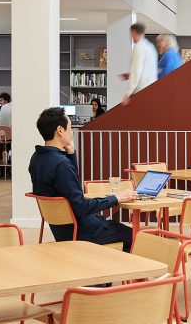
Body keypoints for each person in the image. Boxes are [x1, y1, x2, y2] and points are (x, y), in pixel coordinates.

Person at [29, 107, 137, 251]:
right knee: (135, 236)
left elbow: (70, 185)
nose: (71, 131)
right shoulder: (60, 164)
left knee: (115, 227)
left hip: (61, 230)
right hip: (83, 231)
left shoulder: (37, 158)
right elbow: (81, 207)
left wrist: (71, 153)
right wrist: (116, 198)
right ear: (60, 130)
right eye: (69, 127)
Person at [120, 22, 158, 106]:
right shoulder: (150, 47)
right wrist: (130, 74)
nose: (130, 37)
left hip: (140, 90)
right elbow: (149, 69)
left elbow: (136, 71)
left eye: (131, 34)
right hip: (152, 89)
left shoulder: (138, 47)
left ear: (134, 32)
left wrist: (128, 93)